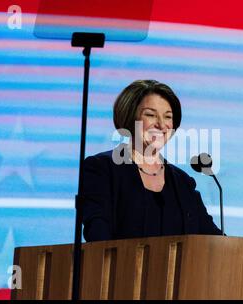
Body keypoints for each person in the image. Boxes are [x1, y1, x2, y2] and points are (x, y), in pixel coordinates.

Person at [82, 79, 222, 242]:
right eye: (150, 115)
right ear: (129, 117)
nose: (162, 125)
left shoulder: (183, 183)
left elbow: (212, 238)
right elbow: (97, 234)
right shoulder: (102, 168)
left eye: (168, 117)